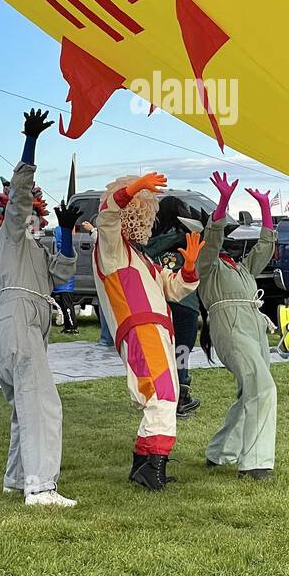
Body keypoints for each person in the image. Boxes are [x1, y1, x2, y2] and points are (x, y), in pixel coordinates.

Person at [0, 109, 81, 507]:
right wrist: (31, 145)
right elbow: (19, 200)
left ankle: (16, 479)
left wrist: (64, 233)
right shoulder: (9, 237)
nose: (36, 220)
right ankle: (41, 488)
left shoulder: (35, 250)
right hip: (18, 320)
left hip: (23, 322)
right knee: (43, 404)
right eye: (37, 217)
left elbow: (62, 274)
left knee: (22, 406)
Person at [93, 171, 203, 492]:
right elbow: (108, 215)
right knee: (163, 394)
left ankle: (143, 464)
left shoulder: (139, 256)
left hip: (156, 330)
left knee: (161, 393)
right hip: (141, 329)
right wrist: (133, 188)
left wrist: (189, 267)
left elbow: (172, 288)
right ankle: (153, 464)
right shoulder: (111, 247)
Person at [198, 173, 278, 479]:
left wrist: (266, 208)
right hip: (228, 327)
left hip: (253, 325)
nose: (226, 236)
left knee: (251, 390)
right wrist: (223, 201)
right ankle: (255, 463)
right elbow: (212, 239)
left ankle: (220, 452)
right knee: (264, 387)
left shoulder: (241, 268)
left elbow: (265, 247)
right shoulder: (206, 264)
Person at [144, 196, 202, 416]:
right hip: (185, 304)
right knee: (181, 352)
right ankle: (180, 397)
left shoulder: (149, 240)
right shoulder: (188, 237)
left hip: (159, 304)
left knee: (163, 352)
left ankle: (162, 395)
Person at [79, 221, 114, 347]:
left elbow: (104, 242)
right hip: (108, 276)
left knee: (106, 306)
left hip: (109, 276)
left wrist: (92, 230)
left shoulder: (110, 234)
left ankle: (107, 340)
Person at [52, 220, 79, 334]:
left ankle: (71, 326)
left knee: (67, 305)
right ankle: (69, 325)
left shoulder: (65, 251)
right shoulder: (66, 250)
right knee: (66, 304)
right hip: (65, 283)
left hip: (65, 284)